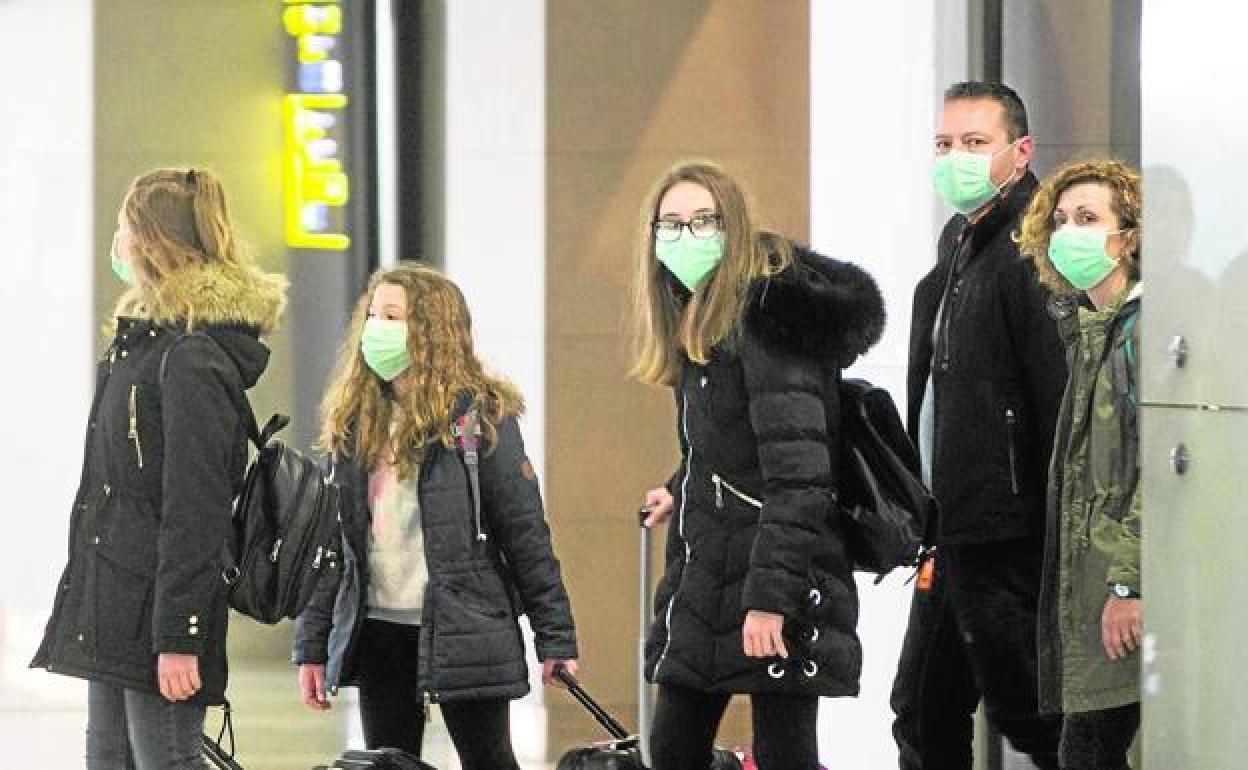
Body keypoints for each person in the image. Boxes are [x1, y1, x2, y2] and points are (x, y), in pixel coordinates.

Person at [632, 160, 886, 770]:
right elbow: (729, 441)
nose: (684, 237)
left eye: (703, 221)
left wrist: (770, 600)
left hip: (779, 575)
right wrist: (680, 486)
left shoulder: (766, 321)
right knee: (673, 747)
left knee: (784, 750)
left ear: (733, 228)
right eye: (670, 223)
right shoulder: (702, 321)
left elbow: (802, 476)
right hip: (713, 567)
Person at [31, 168, 288, 768]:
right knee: (110, 759)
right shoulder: (142, 345)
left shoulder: (190, 358)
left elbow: (194, 510)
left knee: (165, 760)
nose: (116, 240)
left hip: (157, 615)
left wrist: (181, 634)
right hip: (114, 607)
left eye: (124, 227)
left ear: (153, 241)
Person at [292, 263, 579, 770]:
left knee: (488, 758)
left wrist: (555, 639)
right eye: (373, 314)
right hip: (379, 626)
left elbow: (525, 534)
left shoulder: (480, 420)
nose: (376, 328)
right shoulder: (356, 422)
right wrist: (312, 644)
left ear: (431, 331)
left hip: (464, 626)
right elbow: (330, 548)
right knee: (389, 763)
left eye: (393, 316)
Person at [890, 81, 1067, 770]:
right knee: (923, 710)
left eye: (974, 143)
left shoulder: (1033, 248)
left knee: (1034, 718)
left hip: (1009, 535)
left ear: (1020, 153)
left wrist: (1054, 542)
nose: (955, 158)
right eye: (944, 144)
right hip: (949, 530)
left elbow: (1054, 398)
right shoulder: (960, 241)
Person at [1018, 160, 1143, 770]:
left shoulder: (1139, 334)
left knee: (1087, 754)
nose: (1070, 232)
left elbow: (1155, 474)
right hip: (1090, 590)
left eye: (1089, 219)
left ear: (1131, 236)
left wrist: (1129, 581)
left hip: (1120, 589)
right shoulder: (1087, 332)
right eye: (1062, 220)